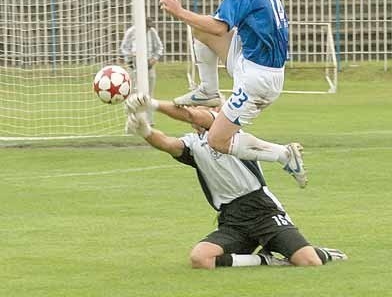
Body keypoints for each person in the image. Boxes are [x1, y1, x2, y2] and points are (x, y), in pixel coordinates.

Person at [124, 93, 348, 269]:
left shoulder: (230, 131)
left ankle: (322, 252)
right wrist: (144, 129)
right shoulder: (193, 144)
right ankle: (266, 261)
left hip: (263, 211)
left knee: (309, 261)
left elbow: (193, 116)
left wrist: (152, 103)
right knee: (200, 259)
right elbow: (167, 143)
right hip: (232, 220)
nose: (200, 110)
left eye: (210, 106)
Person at [159, 0, 299, 181]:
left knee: (217, 139)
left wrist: (179, 12)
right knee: (199, 30)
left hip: (258, 78)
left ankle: (283, 154)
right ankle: (208, 90)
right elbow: (213, 28)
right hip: (250, 61)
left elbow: (219, 28)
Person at [120, 17, 163, 124]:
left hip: (149, 65)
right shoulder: (131, 32)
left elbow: (159, 47)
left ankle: (149, 120)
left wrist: (154, 59)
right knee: (133, 93)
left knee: (149, 93)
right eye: (146, 27)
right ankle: (132, 119)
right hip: (133, 66)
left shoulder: (152, 32)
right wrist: (130, 60)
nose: (148, 29)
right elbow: (124, 48)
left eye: (149, 27)